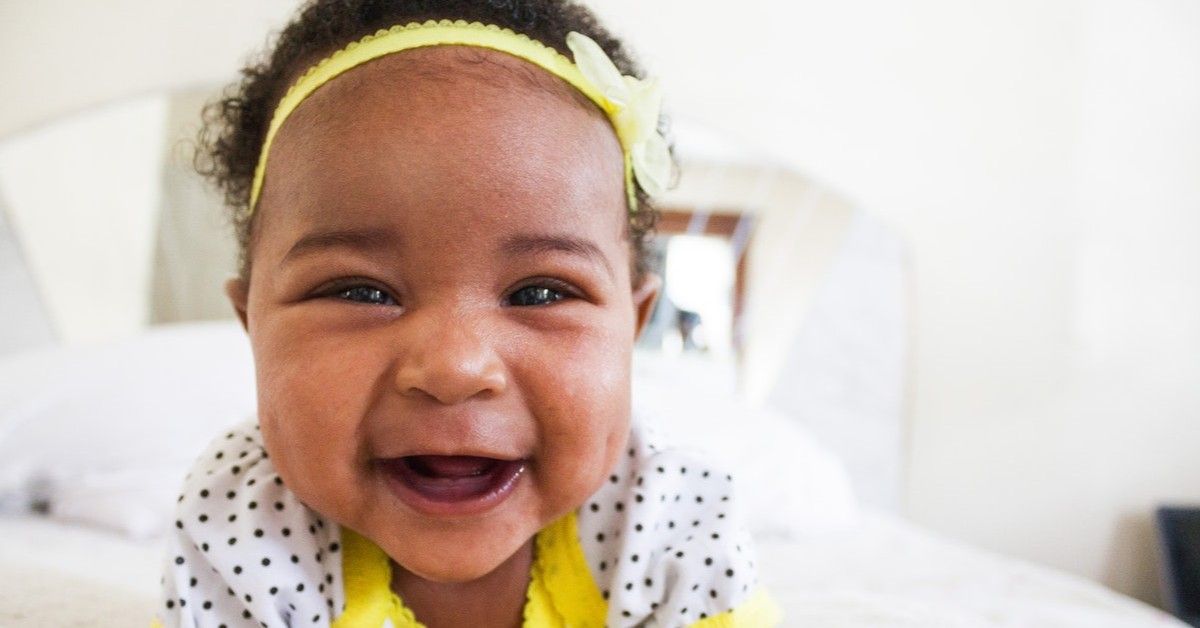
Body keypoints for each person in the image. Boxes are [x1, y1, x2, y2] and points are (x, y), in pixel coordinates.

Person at [157, 1, 779, 626]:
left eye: (540, 293)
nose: (453, 367)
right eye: (360, 291)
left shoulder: (671, 518)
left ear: (632, 327)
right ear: (251, 324)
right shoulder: (241, 520)